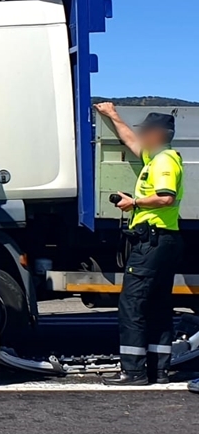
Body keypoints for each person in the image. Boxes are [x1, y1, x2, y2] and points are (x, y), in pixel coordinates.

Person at [94, 104, 184, 386]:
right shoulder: (154, 157)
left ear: (158, 134)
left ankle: (132, 372)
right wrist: (114, 116)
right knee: (157, 305)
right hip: (161, 240)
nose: (141, 135)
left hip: (153, 241)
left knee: (132, 305)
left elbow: (165, 197)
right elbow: (130, 142)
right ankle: (157, 369)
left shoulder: (164, 162)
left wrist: (133, 202)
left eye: (145, 131)